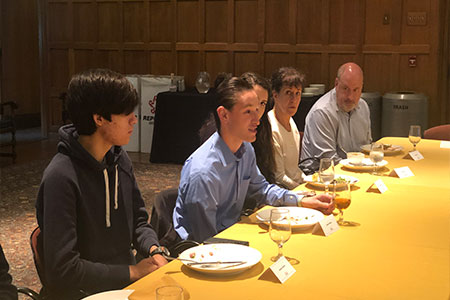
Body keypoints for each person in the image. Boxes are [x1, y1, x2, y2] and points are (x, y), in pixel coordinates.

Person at [35, 69, 168, 300]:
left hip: (123, 286)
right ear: (99, 119)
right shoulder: (61, 177)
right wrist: (132, 271)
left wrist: (153, 248)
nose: (134, 120)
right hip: (82, 293)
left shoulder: (119, 159)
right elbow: (63, 269)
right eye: (126, 113)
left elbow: (137, 221)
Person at [173, 77, 334, 243]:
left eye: (257, 110)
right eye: (248, 112)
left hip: (233, 233)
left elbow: (261, 189)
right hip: (203, 250)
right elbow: (205, 241)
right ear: (224, 115)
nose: (257, 120)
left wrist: (301, 200)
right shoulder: (204, 172)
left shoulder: (245, 149)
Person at [301, 62, 371, 161]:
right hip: (320, 173)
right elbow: (327, 161)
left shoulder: (363, 107)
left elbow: (366, 149)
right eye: (345, 88)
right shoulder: (322, 112)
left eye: (355, 90)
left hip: (354, 171)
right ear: (336, 84)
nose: (350, 97)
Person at [268, 67, 305, 189]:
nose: (294, 100)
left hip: (294, 188)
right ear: (275, 95)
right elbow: (279, 177)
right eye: (288, 93)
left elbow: (294, 171)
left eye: (297, 93)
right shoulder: (271, 128)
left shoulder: (291, 121)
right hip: (282, 192)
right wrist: (302, 191)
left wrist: (312, 181)